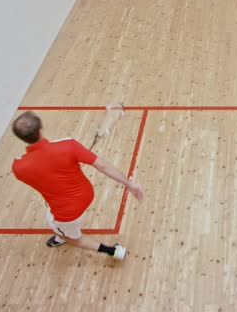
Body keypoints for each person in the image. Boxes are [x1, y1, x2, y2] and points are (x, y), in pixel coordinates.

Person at [10, 111, 144, 260]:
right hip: (87, 194)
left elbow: (43, 175)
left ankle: (113, 251)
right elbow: (103, 166)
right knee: (59, 216)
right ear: (40, 129)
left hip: (66, 212)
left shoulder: (18, 166)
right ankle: (63, 234)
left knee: (73, 237)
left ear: (21, 138)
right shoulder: (69, 144)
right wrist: (129, 184)